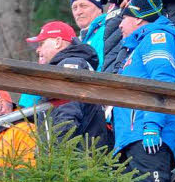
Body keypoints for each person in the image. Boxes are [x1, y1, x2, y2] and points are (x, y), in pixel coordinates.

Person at [111, 0, 175, 182]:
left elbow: (162, 81)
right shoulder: (138, 47)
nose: (120, 24)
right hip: (132, 138)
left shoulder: (157, 38)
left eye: (125, 18)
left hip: (148, 135)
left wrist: (152, 124)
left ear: (140, 20)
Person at [25, 20, 112, 149]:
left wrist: (58, 155)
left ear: (58, 42)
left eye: (41, 43)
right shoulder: (72, 65)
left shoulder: (70, 65)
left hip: (75, 160)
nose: (38, 50)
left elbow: (67, 116)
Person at [70, 0, 106, 67]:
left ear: (99, 8)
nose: (78, 12)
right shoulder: (77, 41)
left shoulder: (107, 31)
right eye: (74, 8)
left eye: (83, 6)